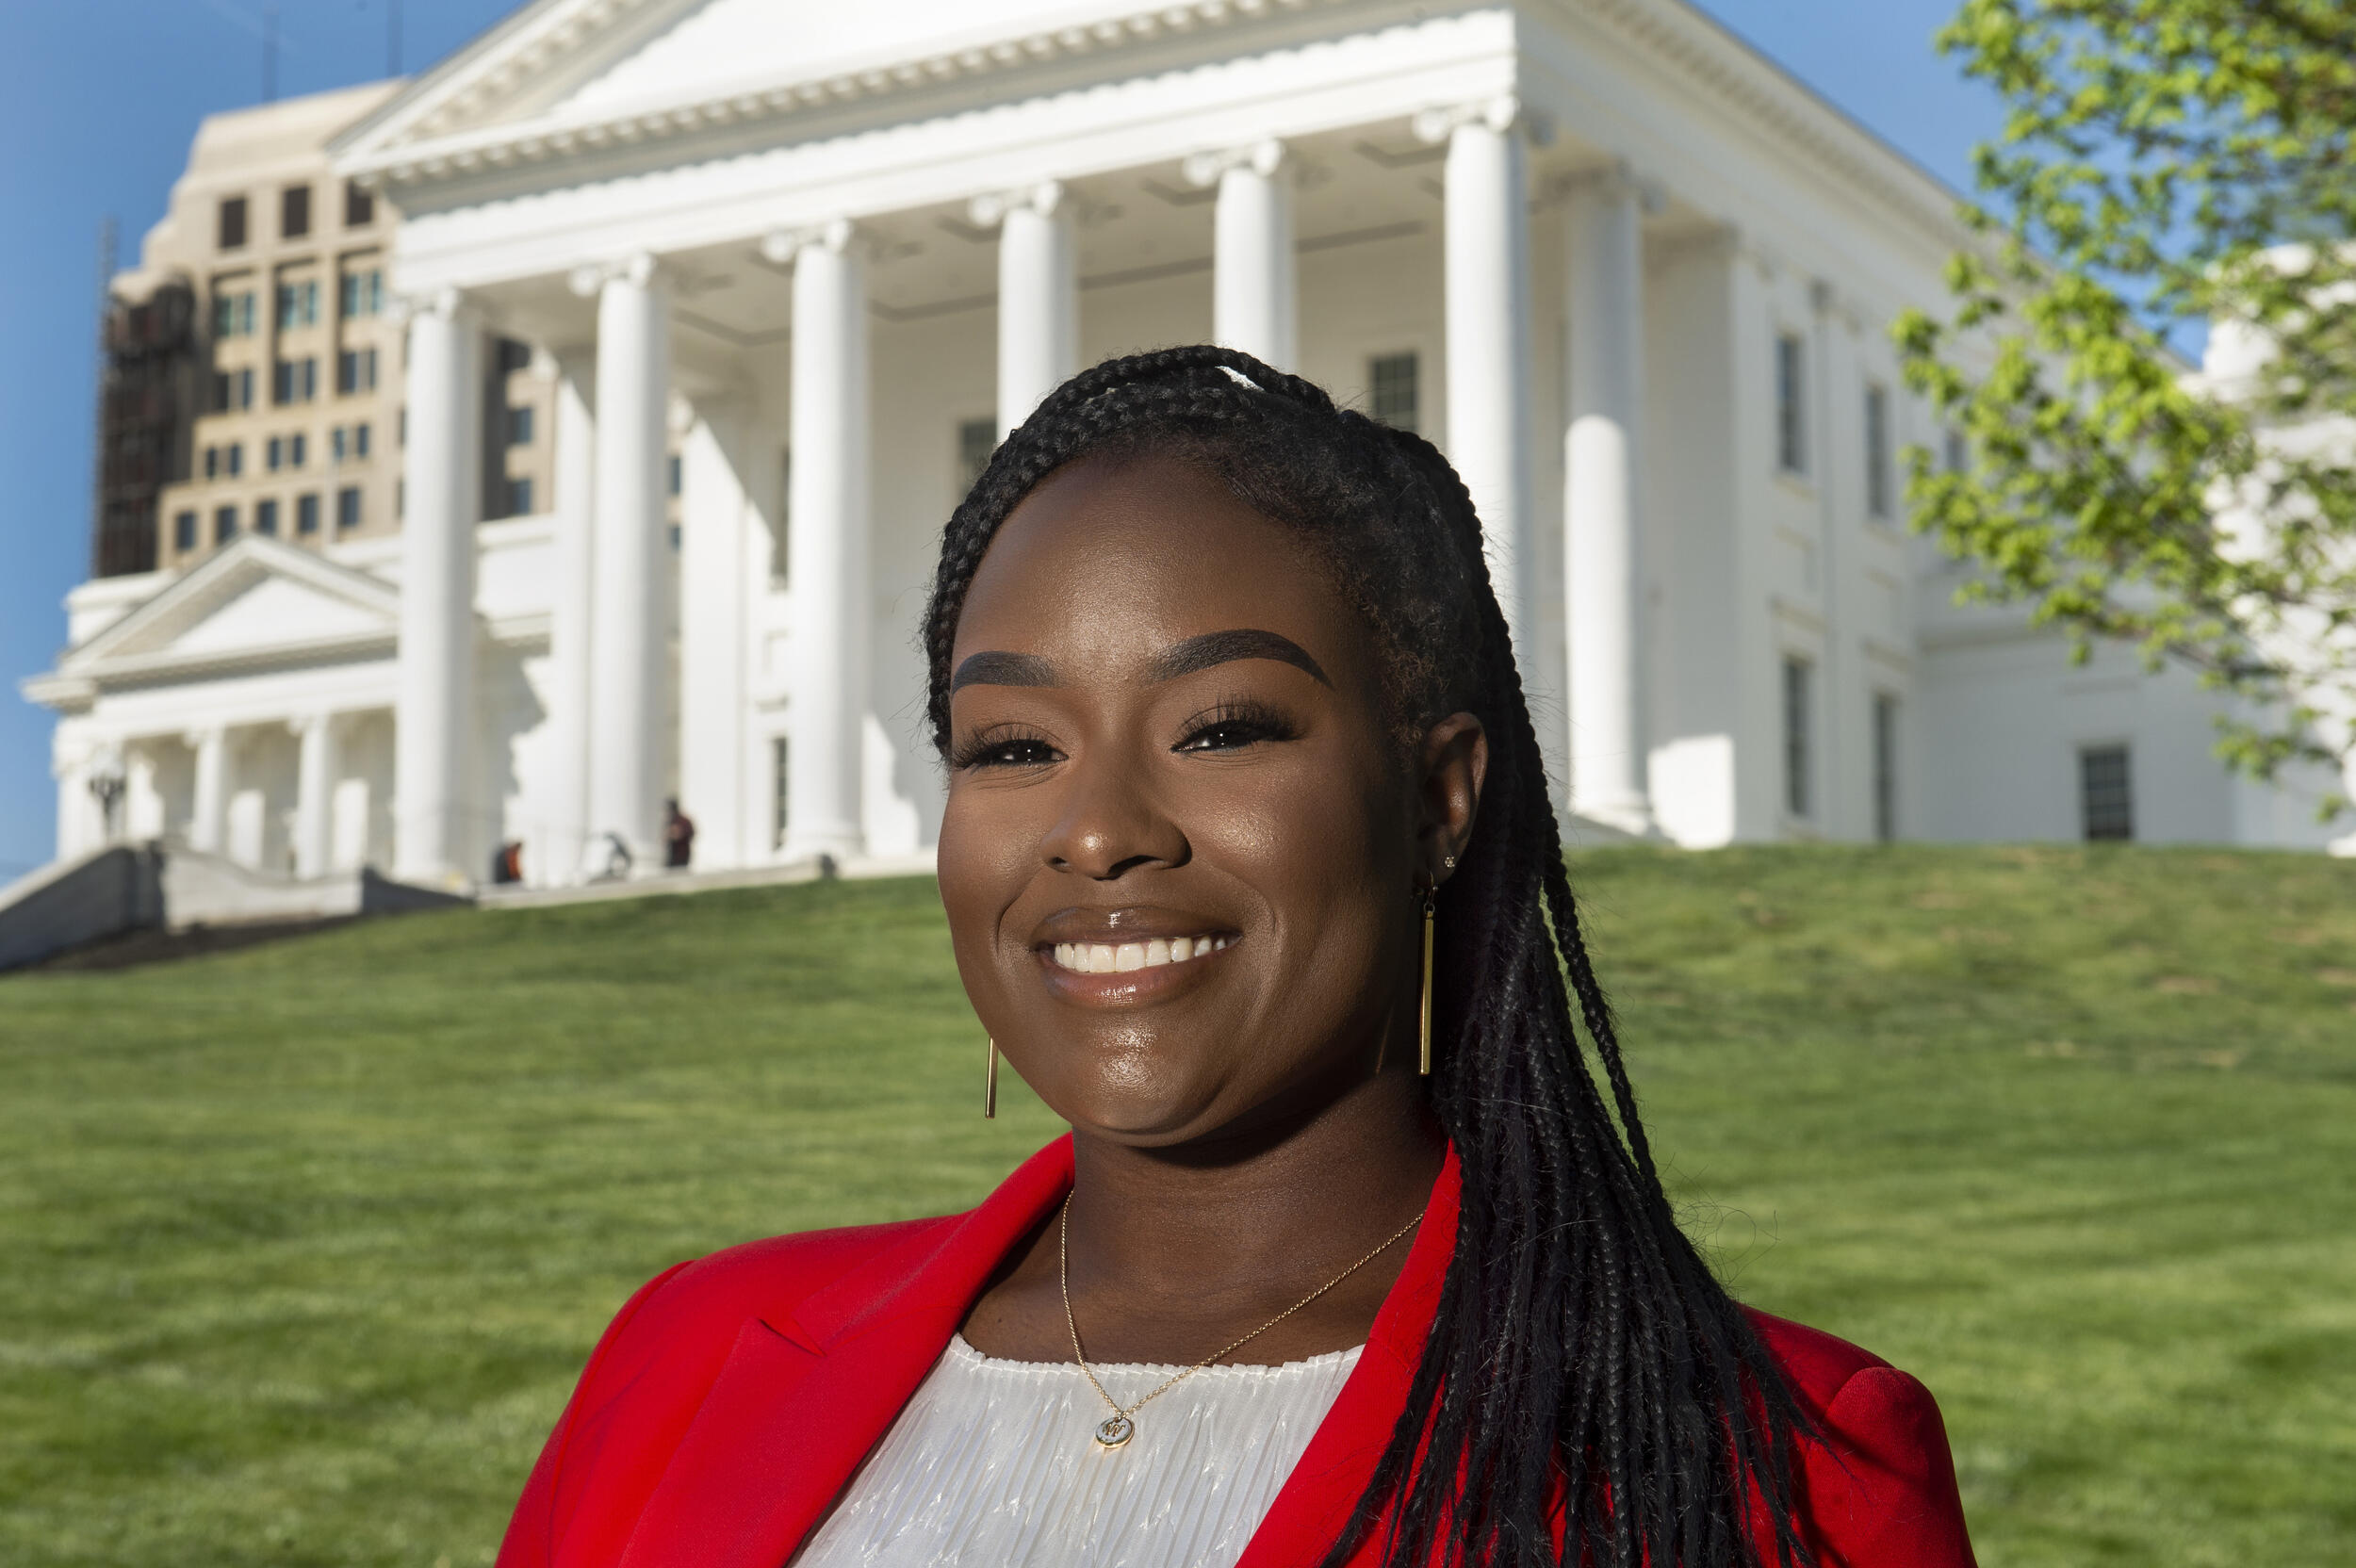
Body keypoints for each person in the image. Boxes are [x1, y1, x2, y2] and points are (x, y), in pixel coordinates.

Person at [495, 348, 1976, 1568]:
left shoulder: (1781, 1466)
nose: (1096, 832)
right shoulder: (687, 1358)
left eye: (1223, 728)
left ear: (1441, 798)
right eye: (1011, 745)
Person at [663, 798, 696, 870]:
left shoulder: (683, 821)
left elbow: (690, 834)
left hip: (682, 854)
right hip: (672, 854)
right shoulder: (671, 820)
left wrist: (676, 834)